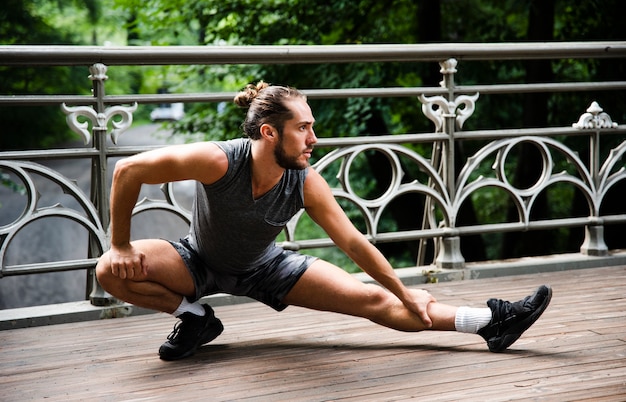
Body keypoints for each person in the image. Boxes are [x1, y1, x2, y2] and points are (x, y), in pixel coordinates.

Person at [96, 81, 552, 361]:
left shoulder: (305, 183)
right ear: (269, 132)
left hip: (267, 267)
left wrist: (402, 291)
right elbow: (129, 170)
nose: (314, 139)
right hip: (197, 259)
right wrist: (119, 245)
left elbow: (354, 244)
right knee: (108, 271)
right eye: (304, 129)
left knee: (377, 302)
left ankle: (491, 321)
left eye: (312, 127)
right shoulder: (218, 161)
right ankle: (195, 319)